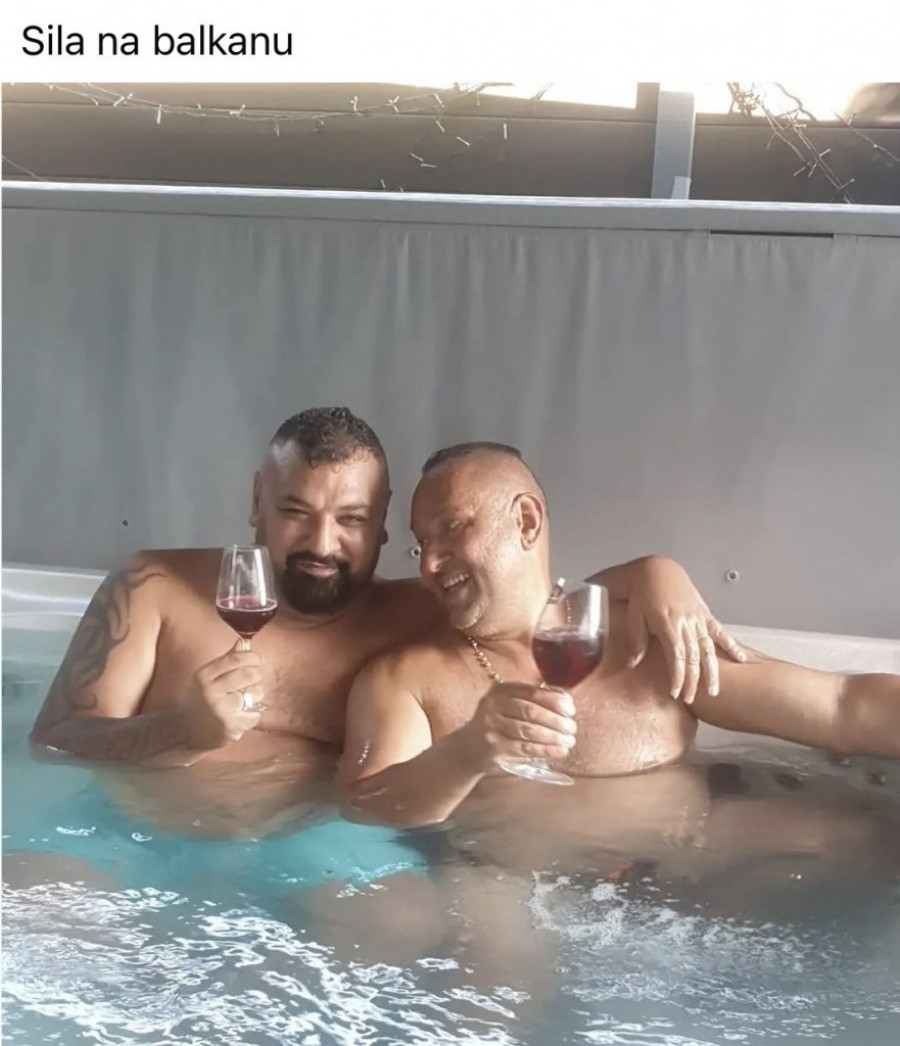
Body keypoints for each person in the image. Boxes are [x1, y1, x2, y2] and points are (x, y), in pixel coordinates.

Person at [339, 440, 900, 830]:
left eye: (452, 529)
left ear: (526, 522)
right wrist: (468, 752)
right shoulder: (406, 680)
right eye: (422, 542)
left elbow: (841, 707)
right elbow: (363, 807)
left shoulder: (641, 640)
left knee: (847, 841)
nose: (429, 562)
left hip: (680, 886)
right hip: (506, 902)